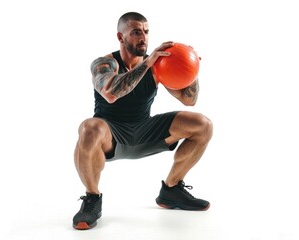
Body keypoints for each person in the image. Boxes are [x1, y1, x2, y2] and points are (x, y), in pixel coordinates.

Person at [72, 11, 213, 230]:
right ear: (121, 37)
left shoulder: (157, 67)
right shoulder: (104, 64)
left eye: (146, 32)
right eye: (136, 32)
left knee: (202, 125)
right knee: (89, 127)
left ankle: (171, 190)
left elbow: (189, 100)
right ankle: (92, 199)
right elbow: (110, 93)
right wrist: (147, 64)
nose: (144, 38)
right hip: (110, 135)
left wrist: (191, 71)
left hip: (145, 131)